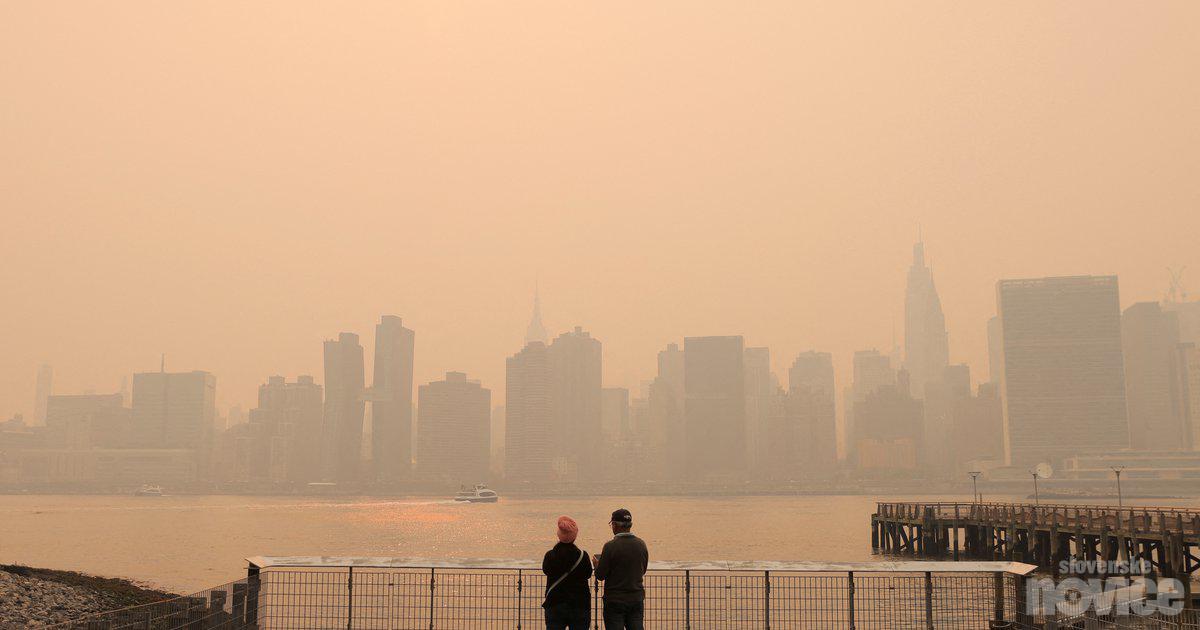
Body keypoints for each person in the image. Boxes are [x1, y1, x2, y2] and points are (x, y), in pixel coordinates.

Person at [592, 508, 649, 630]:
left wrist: (596, 565)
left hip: (615, 599)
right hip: (636, 597)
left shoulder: (610, 546)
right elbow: (643, 570)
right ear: (630, 525)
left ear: (615, 525)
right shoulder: (641, 544)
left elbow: (600, 575)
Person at [542, 515, 592, 629]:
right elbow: (588, 574)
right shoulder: (582, 556)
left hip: (555, 602)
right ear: (574, 536)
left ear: (558, 535)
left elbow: (546, 571)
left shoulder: (550, 555)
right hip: (579, 604)